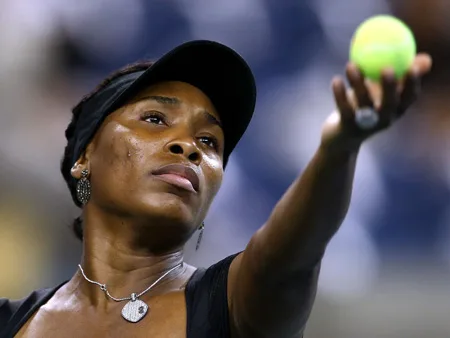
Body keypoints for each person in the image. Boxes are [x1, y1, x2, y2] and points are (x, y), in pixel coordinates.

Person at [0, 40, 431, 337]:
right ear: (84, 157)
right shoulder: (10, 322)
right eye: (154, 119)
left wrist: (339, 148)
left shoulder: (232, 306)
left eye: (209, 142)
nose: (187, 146)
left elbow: (290, 258)